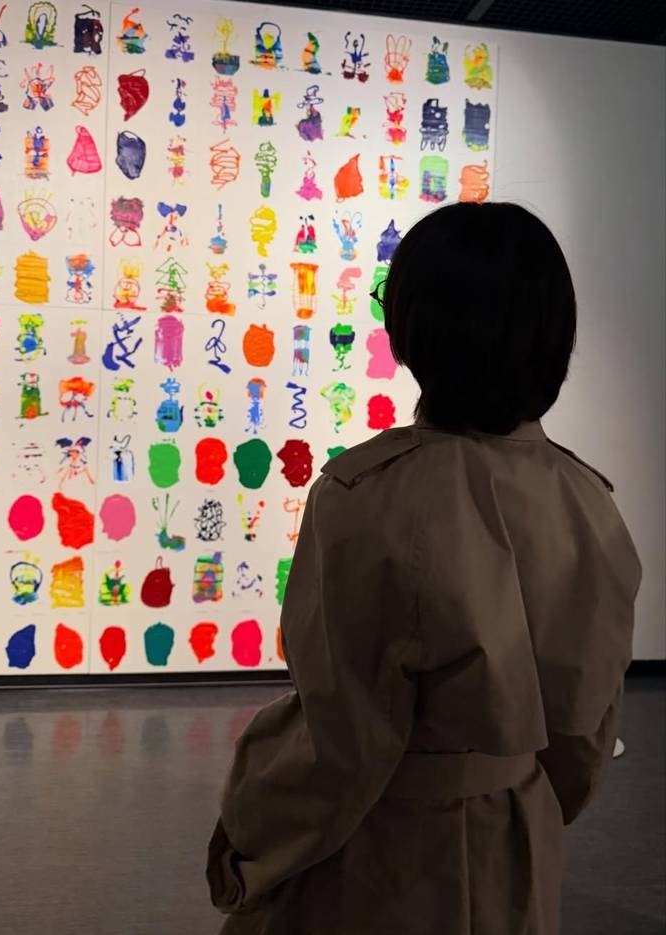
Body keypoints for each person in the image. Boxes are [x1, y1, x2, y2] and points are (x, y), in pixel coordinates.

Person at [206, 201, 643, 934]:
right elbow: (584, 740)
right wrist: (518, 796)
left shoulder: (362, 496)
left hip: (382, 851)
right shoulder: (590, 504)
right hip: (518, 842)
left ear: (413, 328)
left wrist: (249, 844)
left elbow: (340, 742)